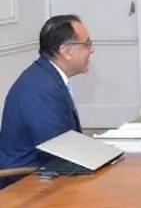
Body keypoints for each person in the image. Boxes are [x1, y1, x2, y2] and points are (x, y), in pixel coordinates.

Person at [0, 15, 94, 189]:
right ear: (66, 51)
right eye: (87, 44)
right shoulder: (42, 88)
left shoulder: (46, 76)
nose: (92, 50)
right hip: (25, 184)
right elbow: (58, 149)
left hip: (45, 173)